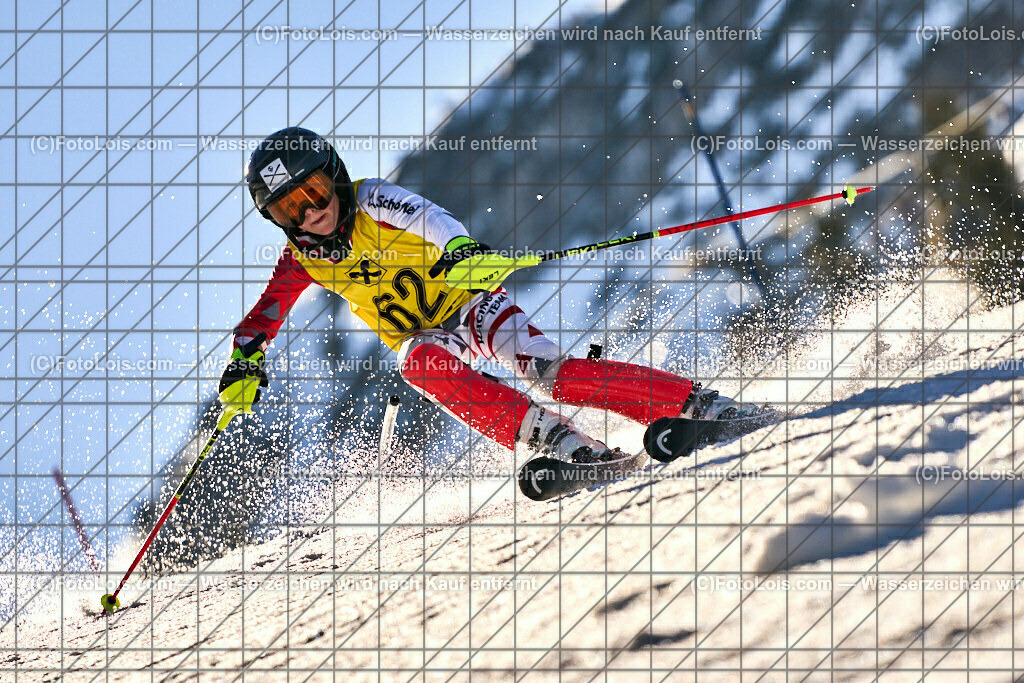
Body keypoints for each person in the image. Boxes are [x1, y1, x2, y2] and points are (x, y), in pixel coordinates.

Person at [219, 127, 750, 464]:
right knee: (417, 363)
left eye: (313, 193)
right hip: (426, 336)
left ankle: (698, 404)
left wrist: (461, 249)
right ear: (280, 221)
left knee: (553, 375)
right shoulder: (302, 260)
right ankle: (566, 445)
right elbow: (263, 316)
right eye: (292, 209)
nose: (312, 213)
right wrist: (244, 359)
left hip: (471, 306)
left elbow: (428, 217)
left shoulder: (373, 199)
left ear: (332, 177)